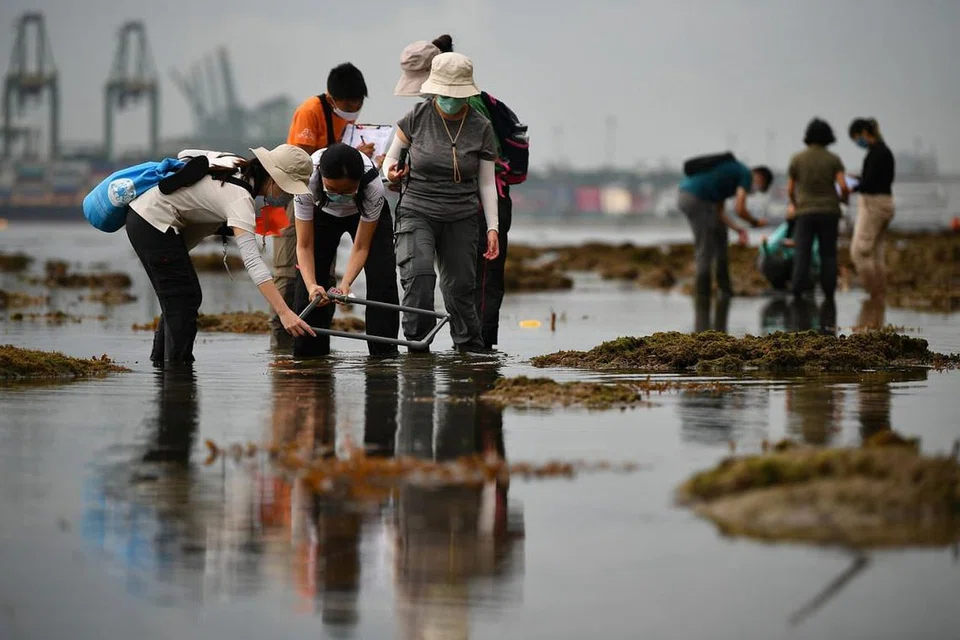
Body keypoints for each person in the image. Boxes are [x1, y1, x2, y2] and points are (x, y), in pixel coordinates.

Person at [126, 144, 316, 366]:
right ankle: (177, 372)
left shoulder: (233, 163)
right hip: (152, 224)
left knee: (179, 300)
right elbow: (253, 262)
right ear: (275, 180)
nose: (287, 196)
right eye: (288, 189)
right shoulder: (240, 198)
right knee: (183, 300)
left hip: (147, 221)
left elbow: (185, 154)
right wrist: (284, 312)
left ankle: (162, 366)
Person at [384, 52, 500, 353]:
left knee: (459, 287)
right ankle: (417, 347)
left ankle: (468, 350)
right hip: (416, 210)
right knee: (419, 277)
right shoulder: (417, 117)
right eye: (446, 93)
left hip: (461, 215)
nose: (450, 99)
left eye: (456, 94)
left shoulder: (481, 126)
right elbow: (390, 160)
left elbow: (487, 183)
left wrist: (493, 228)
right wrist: (392, 173)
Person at [273, 63, 374, 331]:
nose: (353, 110)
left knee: (323, 272)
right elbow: (302, 162)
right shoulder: (310, 111)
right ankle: (282, 339)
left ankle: (318, 335)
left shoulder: (347, 118)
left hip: (330, 198)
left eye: (358, 104)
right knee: (288, 271)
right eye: (348, 104)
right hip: (301, 191)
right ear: (332, 99)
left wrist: (358, 154)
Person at [292, 143, 400, 357]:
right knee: (311, 284)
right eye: (332, 189)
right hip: (322, 215)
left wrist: (346, 284)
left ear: (358, 183)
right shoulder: (305, 182)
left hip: (362, 215)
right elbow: (304, 246)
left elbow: (361, 246)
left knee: (382, 277)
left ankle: (384, 354)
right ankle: (310, 355)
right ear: (322, 177)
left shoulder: (372, 186)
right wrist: (312, 284)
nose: (339, 195)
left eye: (346, 190)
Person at [677, 156, 772, 298]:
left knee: (721, 236)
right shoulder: (745, 174)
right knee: (705, 249)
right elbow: (740, 208)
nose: (755, 190)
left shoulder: (727, 179)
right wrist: (754, 222)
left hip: (692, 197)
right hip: (695, 198)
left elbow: (719, 212)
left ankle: (725, 289)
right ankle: (703, 295)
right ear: (760, 177)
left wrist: (738, 229)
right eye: (760, 187)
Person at [787, 118, 850, 301]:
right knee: (828, 254)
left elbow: (790, 189)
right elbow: (843, 186)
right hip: (829, 211)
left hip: (805, 212)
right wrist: (842, 199)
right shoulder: (833, 159)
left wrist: (796, 203)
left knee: (802, 254)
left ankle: (797, 292)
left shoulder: (797, 159)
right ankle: (829, 294)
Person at [848, 118, 895, 299]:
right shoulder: (884, 151)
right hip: (886, 203)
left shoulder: (875, 153)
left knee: (859, 252)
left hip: (874, 205)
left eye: (856, 138)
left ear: (865, 133)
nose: (857, 142)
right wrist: (858, 179)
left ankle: (873, 293)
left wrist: (851, 186)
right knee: (876, 253)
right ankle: (880, 294)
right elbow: (875, 178)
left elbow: (869, 183)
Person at [758, 204, 820, 292]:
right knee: (764, 258)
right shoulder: (786, 227)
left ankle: (805, 285)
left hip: (810, 267)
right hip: (791, 264)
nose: (789, 211)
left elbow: (816, 255)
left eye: (792, 208)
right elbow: (769, 247)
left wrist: (798, 245)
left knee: (801, 260)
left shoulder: (811, 228)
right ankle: (779, 284)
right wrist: (765, 245)